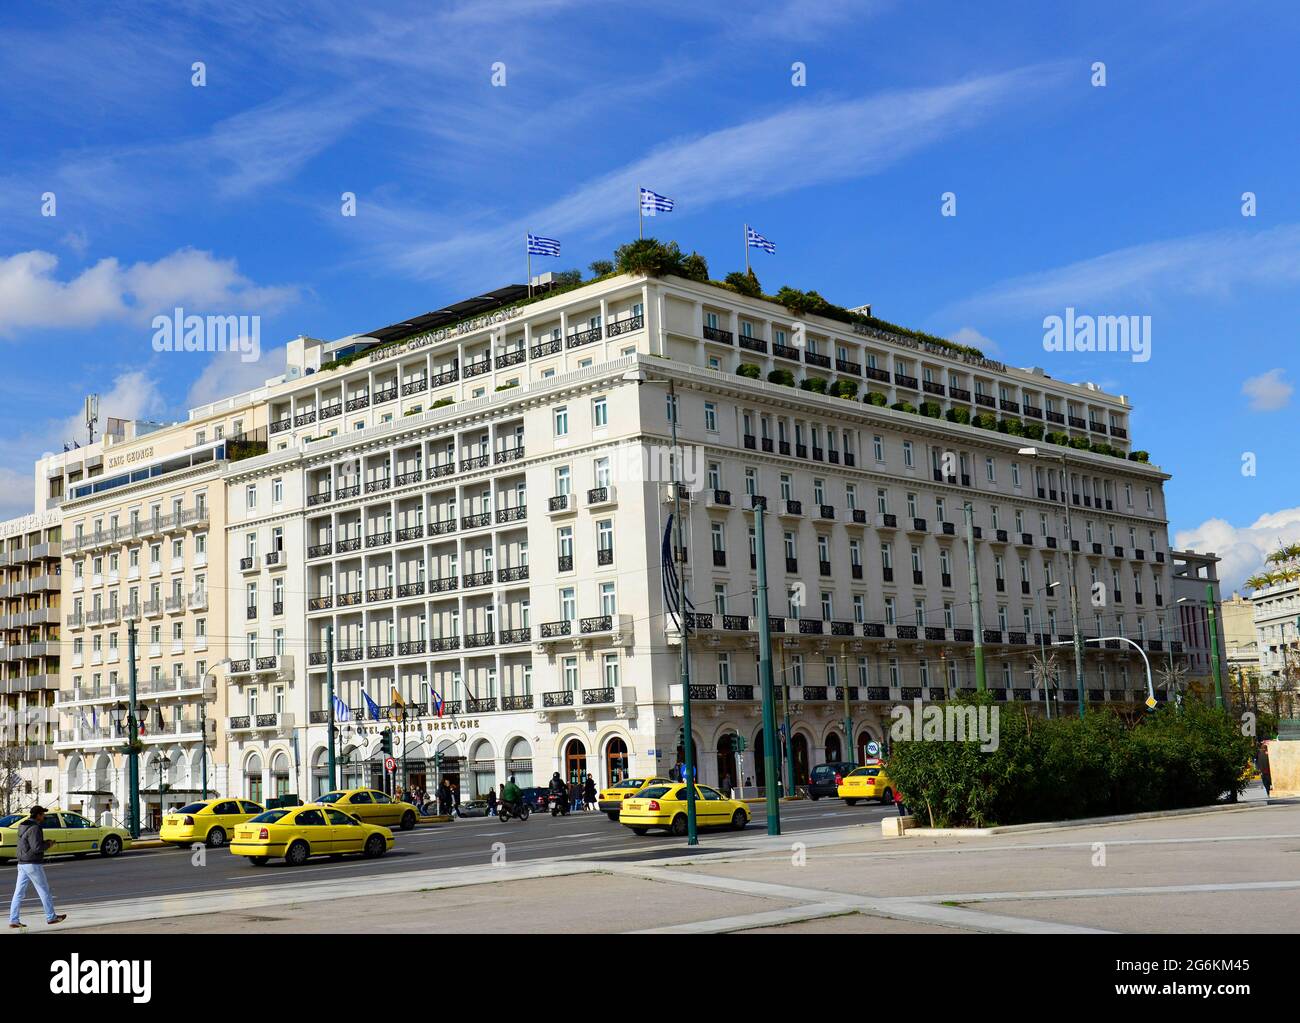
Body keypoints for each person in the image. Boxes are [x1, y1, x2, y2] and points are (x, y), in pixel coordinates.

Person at [9, 806, 66, 929]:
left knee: (18, 893)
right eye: (43, 814)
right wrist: (48, 844)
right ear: (38, 815)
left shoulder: (22, 825)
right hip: (32, 863)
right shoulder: (35, 827)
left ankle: (14, 920)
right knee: (44, 890)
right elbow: (36, 848)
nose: (44, 816)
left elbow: (29, 844)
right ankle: (51, 917)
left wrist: (43, 842)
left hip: (22, 863)